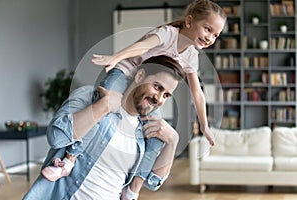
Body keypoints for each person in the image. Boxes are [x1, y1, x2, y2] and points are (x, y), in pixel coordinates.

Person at [43, 0, 226, 188]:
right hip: (126, 72)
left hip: (146, 87)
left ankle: (133, 189)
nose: (210, 37)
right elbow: (142, 47)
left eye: (215, 35)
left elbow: (197, 92)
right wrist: (116, 57)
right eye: (207, 29)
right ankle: (70, 159)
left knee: (157, 133)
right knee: (103, 105)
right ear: (189, 21)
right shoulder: (168, 34)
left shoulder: (191, 55)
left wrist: (204, 125)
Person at [23, 55, 185, 200]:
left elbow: (153, 182)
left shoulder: (145, 133)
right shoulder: (89, 97)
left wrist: (172, 141)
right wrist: (104, 106)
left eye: (166, 95)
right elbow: (56, 137)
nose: (159, 99)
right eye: (157, 87)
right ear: (140, 75)